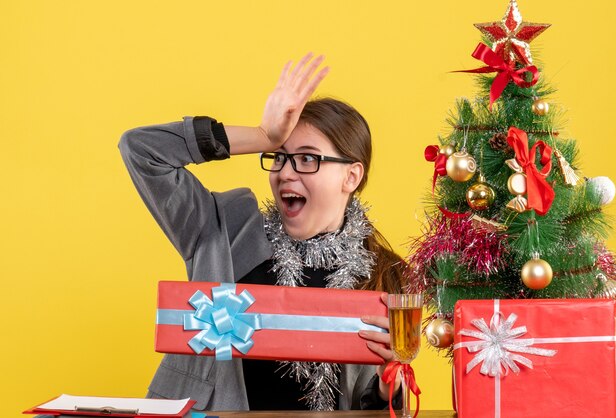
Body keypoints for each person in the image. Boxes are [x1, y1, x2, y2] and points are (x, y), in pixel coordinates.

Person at [118, 53, 406, 411]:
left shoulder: (384, 273)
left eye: (307, 158)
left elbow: (369, 407)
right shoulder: (222, 229)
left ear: (351, 176)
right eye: (278, 156)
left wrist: (387, 387)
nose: (285, 173)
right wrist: (261, 135)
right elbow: (141, 150)